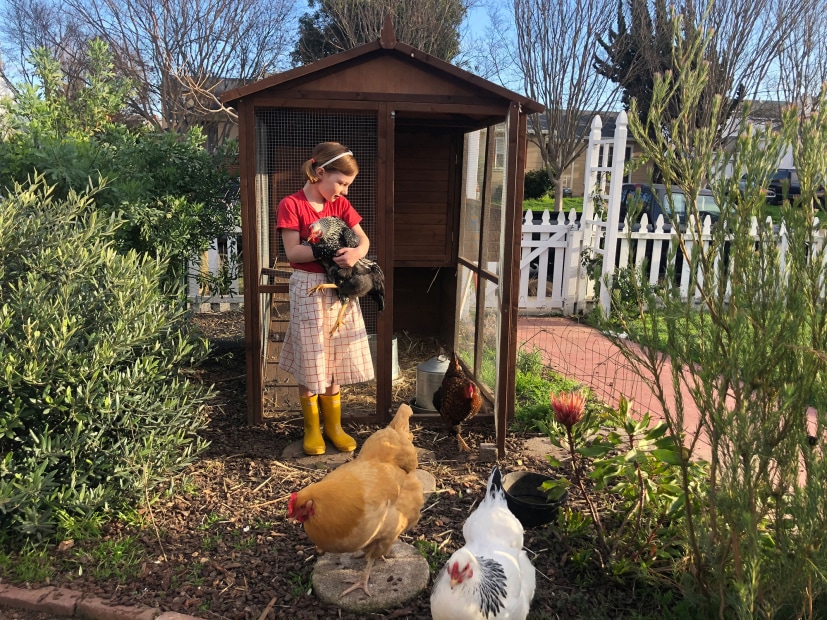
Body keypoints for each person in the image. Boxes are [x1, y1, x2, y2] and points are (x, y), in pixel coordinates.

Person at [276, 142, 375, 455]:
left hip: (339, 287)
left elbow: (363, 239)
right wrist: (329, 250)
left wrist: (357, 252)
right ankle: (312, 429)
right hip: (308, 285)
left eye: (348, 186)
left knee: (333, 355)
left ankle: (334, 426)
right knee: (311, 354)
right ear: (320, 173)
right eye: (341, 184)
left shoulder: (341, 207)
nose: (344, 191)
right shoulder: (291, 204)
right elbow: (293, 252)